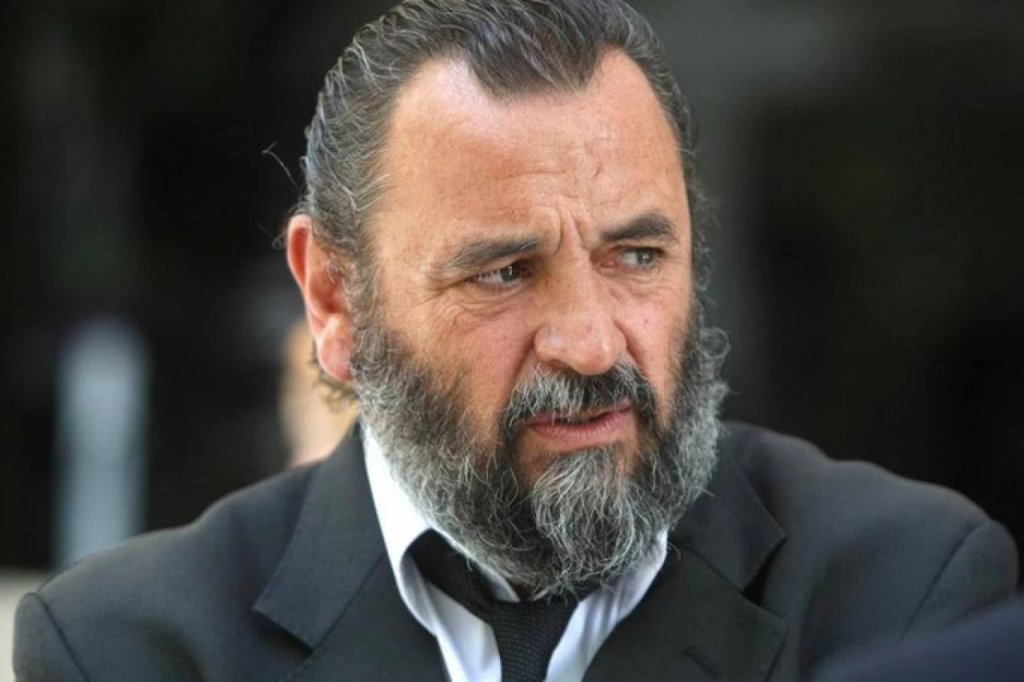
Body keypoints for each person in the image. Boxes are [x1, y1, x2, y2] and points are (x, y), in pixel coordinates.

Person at [14, 1, 1018, 680]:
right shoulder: (132, 648)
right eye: (503, 272)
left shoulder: (899, 592)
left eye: (636, 256)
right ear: (333, 299)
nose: (591, 344)